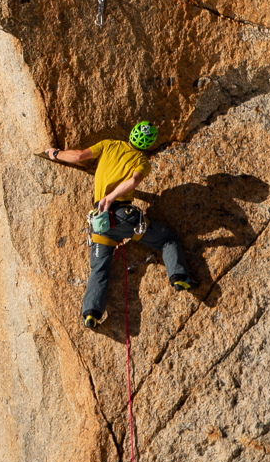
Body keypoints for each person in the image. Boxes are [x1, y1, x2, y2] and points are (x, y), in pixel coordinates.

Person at [46, 121, 194, 330]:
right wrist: (113, 196)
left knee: (99, 269)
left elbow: (78, 156)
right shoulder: (142, 161)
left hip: (101, 221)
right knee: (167, 239)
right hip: (124, 218)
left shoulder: (109, 145)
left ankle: (91, 314)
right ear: (149, 144)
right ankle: (178, 276)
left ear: (131, 133)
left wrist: (54, 153)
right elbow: (133, 181)